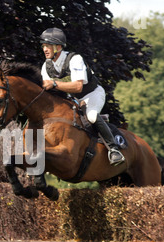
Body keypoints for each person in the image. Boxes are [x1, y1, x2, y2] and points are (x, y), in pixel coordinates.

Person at [39, 27, 125, 166]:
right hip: (73, 99)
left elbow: (78, 87)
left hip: (92, 94)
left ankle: (114, 149)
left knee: (91, 116)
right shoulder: (46, 66)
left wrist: (54, 83)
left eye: (48, 45)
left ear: (58, 47)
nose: (45, 49)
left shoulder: (75, 59)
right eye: (43, 46)